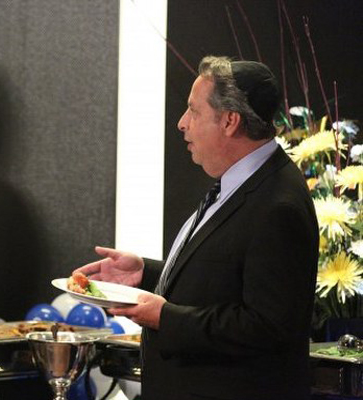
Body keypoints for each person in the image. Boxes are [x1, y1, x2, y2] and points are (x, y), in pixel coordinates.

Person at [75, 56, 319, 400]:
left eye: (194, 111)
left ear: (230, 121)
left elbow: (267, 327)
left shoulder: (279, 205)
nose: (181, 123)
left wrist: (165, 318)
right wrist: (146, 274)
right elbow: (224, 281)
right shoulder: (245, 181)